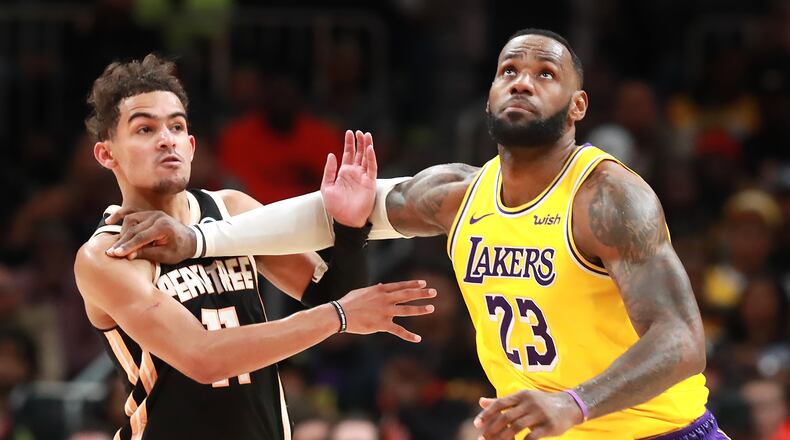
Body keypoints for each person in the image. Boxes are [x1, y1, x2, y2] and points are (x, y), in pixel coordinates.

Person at [105, 30, 726, 439]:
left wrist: (575, 402)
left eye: (545, 74)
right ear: (488, 92)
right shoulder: (458, 194)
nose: (522, 81)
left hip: (654, 432)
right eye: (509, 69)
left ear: (579, 105)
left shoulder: (609, 196)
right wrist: (199, 241)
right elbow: (334, 211)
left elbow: (681, 339)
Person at [72, 54, 436, 440]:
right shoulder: (106, 255)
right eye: (145, 129)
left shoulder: (231, 209)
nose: (167, 139)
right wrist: (337, 316)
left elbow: (331, 296)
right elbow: (202, 357)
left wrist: (350, 228)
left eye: (177, 127)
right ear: (106, 153)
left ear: (192, 146)